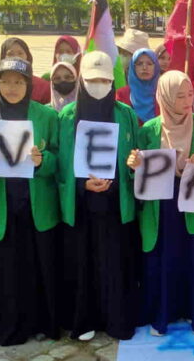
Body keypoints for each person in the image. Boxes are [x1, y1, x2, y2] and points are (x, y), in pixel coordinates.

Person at [0, 57, 60, 346]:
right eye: (6, 81)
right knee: (7, 271)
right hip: (1, 207)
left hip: (37, 207)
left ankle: (43, 323)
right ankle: (9, 326)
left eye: (18, 81)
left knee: (39, 266)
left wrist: (42, 161)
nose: (12, 87)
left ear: (29, 84)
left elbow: (59, 160)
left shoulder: (46, 117)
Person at [127, 70, 194, 336]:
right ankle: (162, 315)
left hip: (193, 203)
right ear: (165, 97)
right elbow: (137, 168)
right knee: (163, 259)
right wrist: (133, 164)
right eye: (179, 95)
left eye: (189, 93)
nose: (187, 100)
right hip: (161, 205)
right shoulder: (149, 129)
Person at [57, 51, 140, 341]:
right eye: (92, 80)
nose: (98, 85)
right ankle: (85, 319)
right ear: (82, 79)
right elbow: (60, 164)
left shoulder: (126, 114)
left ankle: (117, 319)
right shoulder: (66, 116)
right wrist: (82, 186)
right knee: (84, 264)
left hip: (116, 205)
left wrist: (130, 168)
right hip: (81, 207)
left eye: (105, 79)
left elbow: (134, 157)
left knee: (116, 263)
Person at [115, 48, 161, 125]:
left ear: (156, 67)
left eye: (149, 64)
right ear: (133, 67)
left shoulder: (162, 94)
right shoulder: (121, 94)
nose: (144, 68)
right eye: (139, 64)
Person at [0, 37, 52, 104]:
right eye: (10, 54)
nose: (16, 57)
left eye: (20, 53)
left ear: (28, 56)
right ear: (3, 58)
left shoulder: (44, 87)